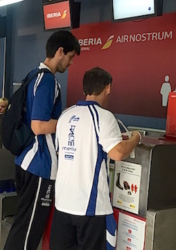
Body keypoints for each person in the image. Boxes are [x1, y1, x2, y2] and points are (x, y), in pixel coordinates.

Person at [3, 30, 81, 250]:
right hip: (39, 165)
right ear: (60, 52)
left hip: (24, 160)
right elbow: (39, 126)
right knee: (29, 230)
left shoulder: (33, 75)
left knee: (22, 224)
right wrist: (68, 119)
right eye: (70, 57)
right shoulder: (47, 81)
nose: (71, 63)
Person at [50, 67, 142, 250]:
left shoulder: (65, 115)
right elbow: (117, 153)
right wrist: (135, 138)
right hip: (90, 208)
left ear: (85, 89)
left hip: (62, 204)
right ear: (108, 88)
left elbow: (61, 153)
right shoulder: (104, 117)